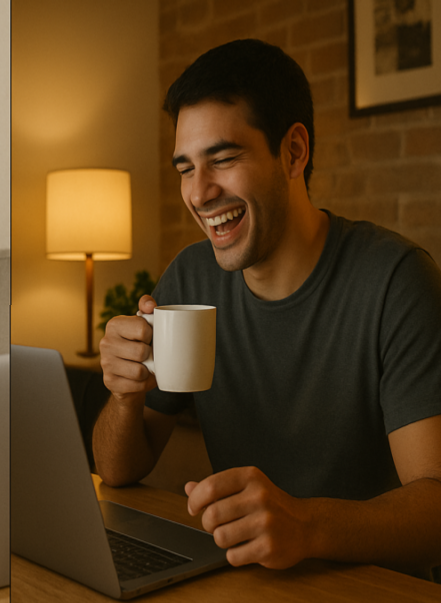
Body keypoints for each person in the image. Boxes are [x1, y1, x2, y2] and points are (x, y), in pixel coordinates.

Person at [93, 39, 441, 578]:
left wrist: (306, 526)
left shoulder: (395, 281)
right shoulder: (189, 277)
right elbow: (117, 470)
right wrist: (124, 395)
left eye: (224, 159)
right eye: (186, 168)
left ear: (294, 152)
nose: (200, 193)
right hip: (245, 581)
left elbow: (435, 504)